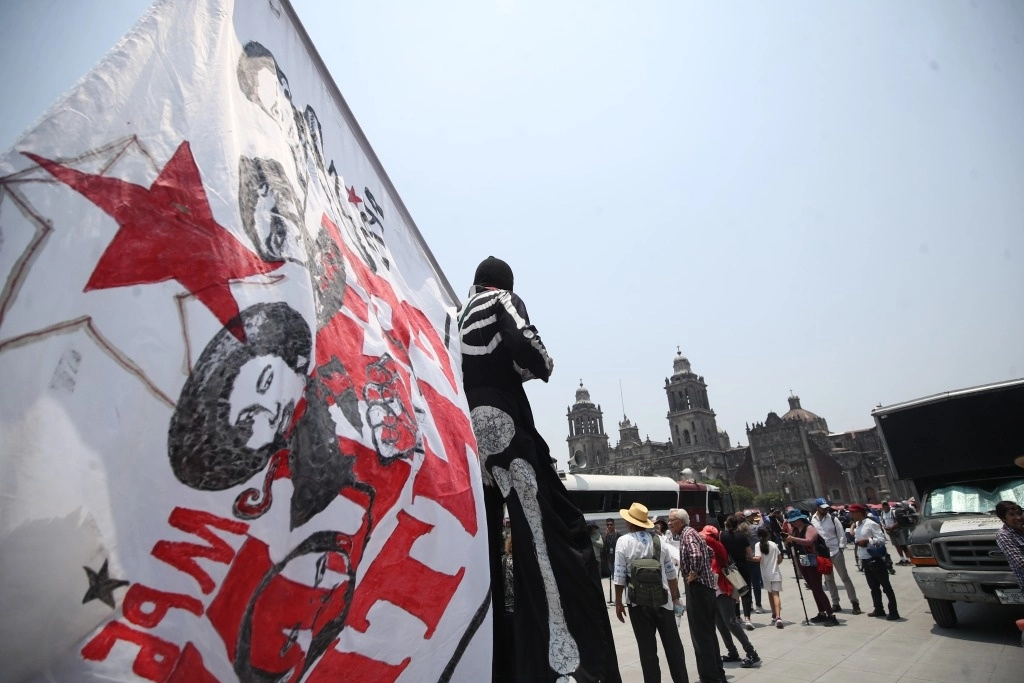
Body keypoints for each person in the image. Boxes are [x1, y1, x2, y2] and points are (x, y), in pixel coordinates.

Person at [459, 256, 619, 682]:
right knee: (547, 527)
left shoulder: (457, 315)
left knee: (493, 529)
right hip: (505, 417)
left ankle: (497, 654)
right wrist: (538, 364)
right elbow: (532, 351)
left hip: (472, 427)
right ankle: (565, 656)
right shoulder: (501, 300)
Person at [614, 503, 689, 683]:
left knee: (647, 650)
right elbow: (671, 574)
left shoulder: (623, 542)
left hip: (638, 604)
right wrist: (676, 598)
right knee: (673, 648)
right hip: (663, 601)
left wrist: (618, 602)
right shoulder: (659, 541)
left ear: (631, 522)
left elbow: (619, 576)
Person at [671, 507, 725, 683]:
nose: (669, 524)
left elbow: (696, 554)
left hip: (698, 588)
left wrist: (693, 572)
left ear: (680, 521)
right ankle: (717, 674)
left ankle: (709, 677)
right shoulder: (693, 533)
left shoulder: (687, 535)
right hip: (707, 588)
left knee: (701, 636)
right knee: (709, 633)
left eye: (672, 521)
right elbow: (709, 552)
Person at [701, 525, 761, 671]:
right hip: (713, 592)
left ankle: (751, 652)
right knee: (720, 625)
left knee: (731, 623)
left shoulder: (719, 547)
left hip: (724, 591)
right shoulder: (707, 551)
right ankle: (732, 652)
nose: (701, 538)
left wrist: (703, 537)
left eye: (705, 536)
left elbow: (712, 542)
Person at [781, 509, 839, 626]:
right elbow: (793, 541)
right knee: (812, 587)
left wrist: (793, 539)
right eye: (793, 521)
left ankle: (831, 614)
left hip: (812, 558)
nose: (795, 523)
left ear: (801, 518)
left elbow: (808, 541)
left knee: (817, 587)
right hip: (802, 559)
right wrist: (788, 540)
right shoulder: (795, 530)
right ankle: (821, 612)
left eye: (796, 520)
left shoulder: (809, 528)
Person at [849, 503, 901, 620]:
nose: (851, 514)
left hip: (875, 558)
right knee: (873, 587)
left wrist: (867, 540)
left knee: (886, 587)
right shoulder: (858, 524)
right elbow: (857, 538)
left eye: (853, 512)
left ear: (860, 512)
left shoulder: (871, 524)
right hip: (865, 558)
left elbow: (881, 540)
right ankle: (879, 609)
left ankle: (893, 611)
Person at [811, 497, 862, 614]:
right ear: (817, 508)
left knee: (844, 577)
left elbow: (841, 534)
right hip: (823, 553)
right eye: (823, 508)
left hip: (835, 551)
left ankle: (854, 602)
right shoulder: (812, 520)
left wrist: (841, 548)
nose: (825, 510)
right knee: (829, 579)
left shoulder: (833, 519)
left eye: (827, 508)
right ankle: (835, 603)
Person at [719, 516, 755, 630]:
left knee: (733, 593)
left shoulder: (723, 536)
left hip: (730, 569)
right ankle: (747, 618)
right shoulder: (742, 537)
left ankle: (737, 616)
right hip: (743, 566)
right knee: (746, 593)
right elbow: (749, 554)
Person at [753, 527, 785, 628]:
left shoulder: (758, 545)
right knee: (776, 595)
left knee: (770, 594)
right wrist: (775, 564)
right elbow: (780, 559)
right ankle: (778, 616)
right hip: (775, 573)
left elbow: (758, 558)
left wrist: (748, 558)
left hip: (765, 574)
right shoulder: (774, 544)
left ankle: (774, 614)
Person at [994, 501, 1024, 589]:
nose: (1018, 517)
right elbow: (1020, 563)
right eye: (1012, 515)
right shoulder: (1004, 535)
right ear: (1003, 519)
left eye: (1019, 513)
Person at [744, 509, 766, 614]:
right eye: (753, 515)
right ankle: (758, 605)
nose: (754, 517)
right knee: (756, 583)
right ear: (748, 517)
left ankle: (750, 604)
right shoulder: (754, 528)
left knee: (747, 583)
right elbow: (763, 528)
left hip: (745, 559)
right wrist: (761, 518)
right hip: (754, 558)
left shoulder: (740, 529)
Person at [880, 501, 910, 565]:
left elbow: (898, 521)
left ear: (888, 505)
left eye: (886, 505)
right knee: (897, 545)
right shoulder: (883, 513)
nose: (885, 507)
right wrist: (885, 527)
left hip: (897, 530)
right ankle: (902, 559)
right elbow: (883, 521)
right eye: (883, 505)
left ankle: (909, 559)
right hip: (890, 531)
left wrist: (892, 527)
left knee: (903, 545)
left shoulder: (893, 512)